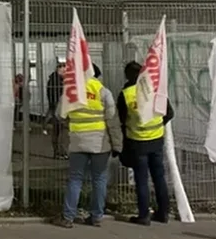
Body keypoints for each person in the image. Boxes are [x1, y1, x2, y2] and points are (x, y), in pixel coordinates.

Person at [54, 64, 122, 228]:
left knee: (75, 179)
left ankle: (68, 217)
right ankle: (97, 216)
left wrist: (72, 121)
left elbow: (59, 115)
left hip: (77, 141)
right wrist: (117, 145)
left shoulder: (70, 91)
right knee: (99, 179)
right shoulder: (103, 91)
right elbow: (112, 120)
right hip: (100, 143)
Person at [117, 61, 174, 226]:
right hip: (156, 140)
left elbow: (121, 119)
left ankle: (144, 215)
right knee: (159, 177)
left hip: (137, 141)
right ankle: (163, 213)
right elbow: (169, 113)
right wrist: (157, 125)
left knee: (141, 179)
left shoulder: (126, 94)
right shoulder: (155, 90)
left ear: (127, 75)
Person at [46, 62, 68, 159]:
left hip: (57, 107)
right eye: (63, 70)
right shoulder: (56, 81)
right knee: (59, 130)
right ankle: (59, 152)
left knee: (58, 130)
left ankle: (59, 152)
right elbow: (55, 96)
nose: (65, 72)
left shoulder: (55, 80)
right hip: (57, 107)